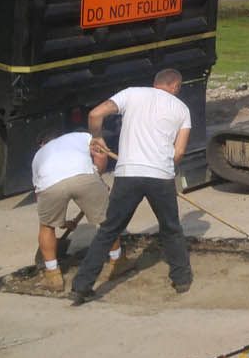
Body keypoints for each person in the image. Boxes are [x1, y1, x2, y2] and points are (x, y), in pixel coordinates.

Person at [69, 68, 193, 305]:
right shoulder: (182, 109)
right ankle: (182, 279)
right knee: (171, 229)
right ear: (175, 86)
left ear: (155, 82)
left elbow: (95, 114)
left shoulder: (132, 93)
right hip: (160, 175)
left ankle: (81, 286)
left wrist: (97, 137)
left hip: (128, 173)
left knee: (109, 230)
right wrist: (167, 166)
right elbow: (180, 151)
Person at [31, 128, 123, 292]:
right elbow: (101, 154)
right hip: (83, 175)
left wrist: (60, 222)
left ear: (42, 144)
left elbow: (40, 194)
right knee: (106, 220)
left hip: (50, 184)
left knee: (46, 227)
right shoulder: (80, 137)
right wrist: (98, 179)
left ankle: (53, 275)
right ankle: (117, 262)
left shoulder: (38, 156)